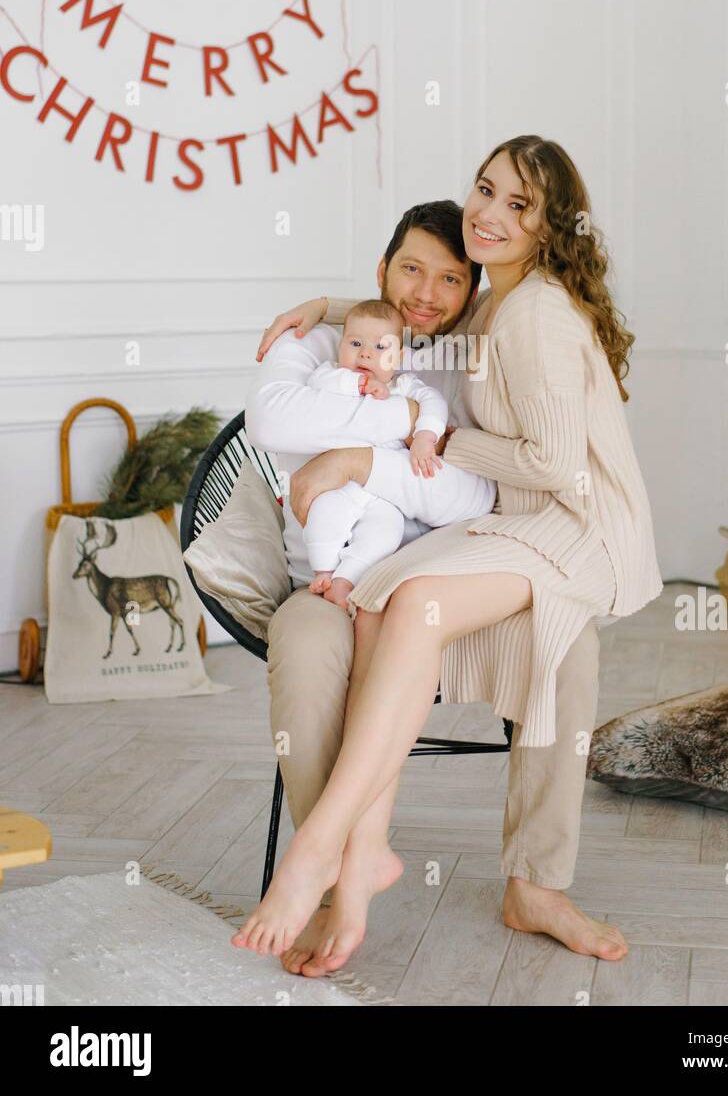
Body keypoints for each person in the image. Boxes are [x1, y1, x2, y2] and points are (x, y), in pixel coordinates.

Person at [241, 149, 662, 973]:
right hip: (476, 538)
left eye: (519, 203)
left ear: (544, 228)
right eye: (485, 190)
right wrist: (330, 310)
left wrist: (409, 441)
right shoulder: (427, 324)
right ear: (385, 272)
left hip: (568, 525)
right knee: (377, 609)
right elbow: (297, 403)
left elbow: (547, 463)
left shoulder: (527, 316)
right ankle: (345, 865)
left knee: (538, 634)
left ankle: (367, 858)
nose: (492, 211)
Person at [303, 297, 495, 607]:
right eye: (355, 343)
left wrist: (424, 437)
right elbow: (318, 381)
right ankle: (322, 570)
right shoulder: (331, 376)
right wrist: (359, 386)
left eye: (381, 347)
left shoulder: (404, 386)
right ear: (341, 348)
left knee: (385, 535)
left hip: (385, 496)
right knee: (324, 512)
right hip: (342, 484)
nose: (366, 353)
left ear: (399, 357)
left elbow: (434, 403)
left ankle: (344, 579)